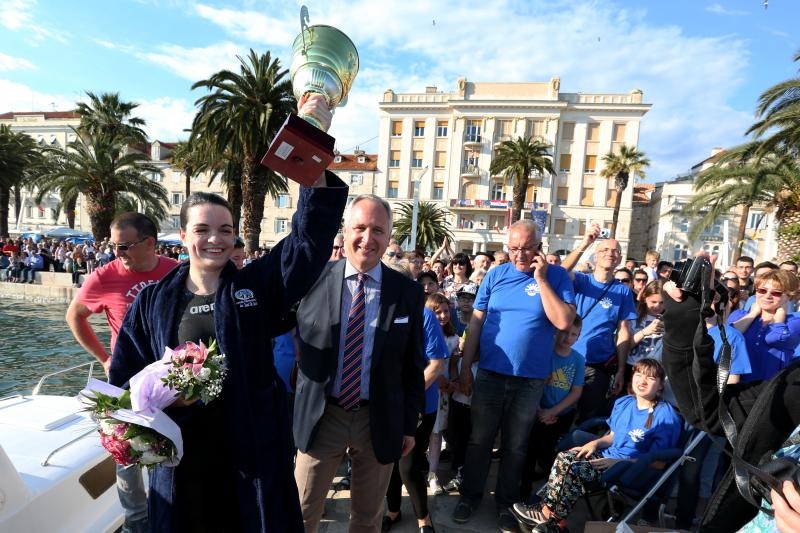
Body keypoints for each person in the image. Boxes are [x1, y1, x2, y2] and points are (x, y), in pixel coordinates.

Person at [110, 95, 347, 532]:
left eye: (225, 230)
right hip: (182, 463)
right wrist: (142, 419)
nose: (214, 240)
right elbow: (124, 378)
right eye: (202, 230)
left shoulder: (255, 287)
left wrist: (312, 142)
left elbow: (306, 245)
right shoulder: (152, 301)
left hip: (250, 457)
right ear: (182, 235)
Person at [292, 194, 426, 533]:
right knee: (300, 513)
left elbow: (412, 365)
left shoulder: (407, 292)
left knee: (367, 517)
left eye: (378, 230)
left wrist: (409, 425)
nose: (368, 238)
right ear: (345, 231)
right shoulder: (312, 281)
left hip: (377, 418)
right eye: (360, 228)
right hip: (324, 416)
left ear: (389, 236)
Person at [451, 219, 575, 531]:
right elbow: (476, 323)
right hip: (491, 374)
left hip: (530, 380)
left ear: (539, 248)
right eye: (514, 248)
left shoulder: (557, 277)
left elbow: (562, 321)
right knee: (479, 440)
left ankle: (506, 504)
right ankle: (470, 496)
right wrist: (466, 367)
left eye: (527, 248)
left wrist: (542, 279)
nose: (519, 254)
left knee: (516, 445)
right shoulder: (495, 274)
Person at [67, 212, 178, 533]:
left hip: (171, 380)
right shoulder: (102, 277)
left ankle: (172, 515)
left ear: (150, 243)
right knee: (127, 458)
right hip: (125, 381)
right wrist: (103, 358)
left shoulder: (176, 271)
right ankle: (136, 525)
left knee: (172, 449)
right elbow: (75, 316)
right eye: (113, 246)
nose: (117, 253)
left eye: (124, 246)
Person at [511, 358, 682, 532]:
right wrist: (595, 443)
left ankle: (549, 516)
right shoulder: (625, 402)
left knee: (573, 468)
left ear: (661, 386)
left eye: (651, 378)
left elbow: (658, 463)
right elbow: (614, 436)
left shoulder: (666, 416)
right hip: (606, 457)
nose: (642, 381)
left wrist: (619, 462)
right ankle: (553, 520)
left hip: (630, 470)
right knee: (566, 457)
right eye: (639, 374)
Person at [383, 289, 448, 532]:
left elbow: (437, 364)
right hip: (384, 404)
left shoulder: (424, 316)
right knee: (388, 461)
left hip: (419, 404)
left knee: (408, 466)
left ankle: (423, 518)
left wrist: (407, 395)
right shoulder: (374, 313)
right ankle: (393, 510)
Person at [561, 224, 636, 422]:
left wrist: (620, 370)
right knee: (557, 413)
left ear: (620, 258)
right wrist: (585, 243)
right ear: (595, 255)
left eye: (615, 251)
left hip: (597, 366)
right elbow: (561, 271)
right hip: (566, 359)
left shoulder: (624, 291)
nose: (610, 254)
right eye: (604, 249)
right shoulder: (581, 281)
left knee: (587, 418)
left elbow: (624, 332)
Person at [519, 315, 585, 500]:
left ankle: (550, 495)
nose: (568, 338)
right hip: (536, 410)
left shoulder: (578, 360)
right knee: (529, 451)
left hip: (560, 415)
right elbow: (532, 382)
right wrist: (540, 410)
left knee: (550, 453)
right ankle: (523, 491)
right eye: (564, 332)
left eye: (573, 334)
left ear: (579, 336)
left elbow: (576, 392)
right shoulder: (544, 353)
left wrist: (552, 412)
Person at [728, 269, 800, 382]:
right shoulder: (739, 315)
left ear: (789, 296)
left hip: (768, 390)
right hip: (736, 386)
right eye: (762, 290)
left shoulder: (794, 322)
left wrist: (780, 315)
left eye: (776, 293)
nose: (767, 296)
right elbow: (727, 339)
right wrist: (753, 314)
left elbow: (773, 338)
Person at [425, 292, 460, 497]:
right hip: (426, 388)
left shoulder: (453, 338)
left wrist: (453, 382)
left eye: (446, 311)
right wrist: (438, 380)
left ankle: (432, 473)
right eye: (437, 312)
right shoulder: (422, 333)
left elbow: (453, 365)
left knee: (436, 434)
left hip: (443, 393)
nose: (443, 316)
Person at [626, 280, 666, 374]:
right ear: (644, 298)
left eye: (661, 302)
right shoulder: (633, 316)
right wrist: (644, 332)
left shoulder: (668, 319)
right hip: (631, 366)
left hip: (655, 370)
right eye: (653, 301)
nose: (657, 306)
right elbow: (624, 346)